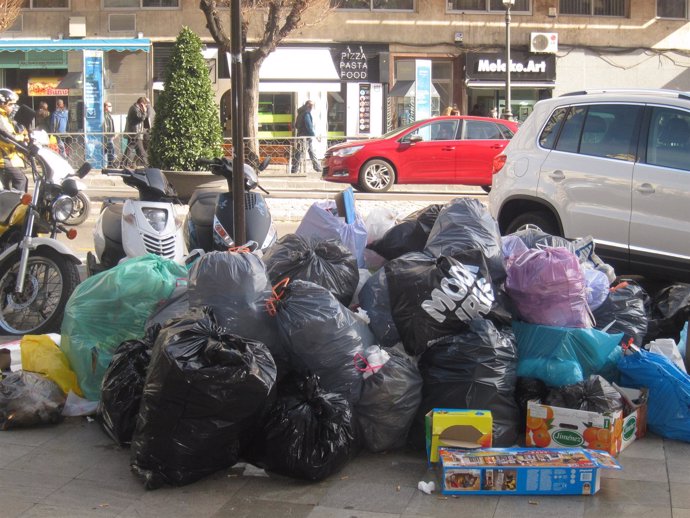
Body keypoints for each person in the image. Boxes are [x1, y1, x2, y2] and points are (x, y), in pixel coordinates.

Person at [0, 89, 28, 192]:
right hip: (4, 159)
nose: (13, 107)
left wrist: (22, 135)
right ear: (2, 103)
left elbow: (12, 133)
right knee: (21, 179)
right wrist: (20, 140)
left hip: (8, 157)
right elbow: (6, 136)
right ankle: (17, 207)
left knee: (5, 190)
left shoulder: (5, 117)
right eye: (10, 104)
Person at [291, 100, 322, 174]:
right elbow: (309, 127)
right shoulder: (306, 114)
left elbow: (296, 125)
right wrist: (314, 135)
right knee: (305, 152)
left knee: (302, 152)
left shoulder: (300, 113)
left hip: (301, 135)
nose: (312, 108)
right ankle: (295, 169)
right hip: (306, 136)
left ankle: (295, 169)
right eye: (312, 106)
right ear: (308, 105)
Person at [124, 96, 148, 167]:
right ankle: (147, 164)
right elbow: (141, 118)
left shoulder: (136, 108)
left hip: (136, 133)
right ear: (141, 104)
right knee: (139, 151)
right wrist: (144, 111)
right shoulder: (134, 109)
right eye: (145, 105)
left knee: (139, 151)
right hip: (134, 133)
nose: (145, 107)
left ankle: (123, 163)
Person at [103, 101, 116, 167]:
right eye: (109, 106)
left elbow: (111, 125)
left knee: (109, 150)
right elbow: (106, 126)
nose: (111, 107)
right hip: (107, 136)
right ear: (106, 107)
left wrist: (113, 134)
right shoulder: (104, 115)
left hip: (110, 136)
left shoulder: (109, 115)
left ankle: (109, 164)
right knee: (110, 150)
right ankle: (109, 164)